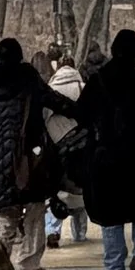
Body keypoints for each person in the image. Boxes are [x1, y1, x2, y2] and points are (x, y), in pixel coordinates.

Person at [75, 27, 135, 270]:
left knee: (110, 213)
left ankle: (115, 266)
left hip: (107, 158)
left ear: (113, 51)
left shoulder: (98, 81)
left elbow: (81, 116)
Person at [0, 34, 52, 270]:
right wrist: (78, 111)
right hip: (28, 156)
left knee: (6, 206)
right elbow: (52, 99)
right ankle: (29, 262)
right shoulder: (29, 79)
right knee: (35, 206)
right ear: (20, 57)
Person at [41, 48, 85, 244]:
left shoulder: (50, 90)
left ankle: (53, 229)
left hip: (55, 144)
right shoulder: (84, 87)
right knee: (80, 187)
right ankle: (79, 232)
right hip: (81, 143)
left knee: (55, 189)